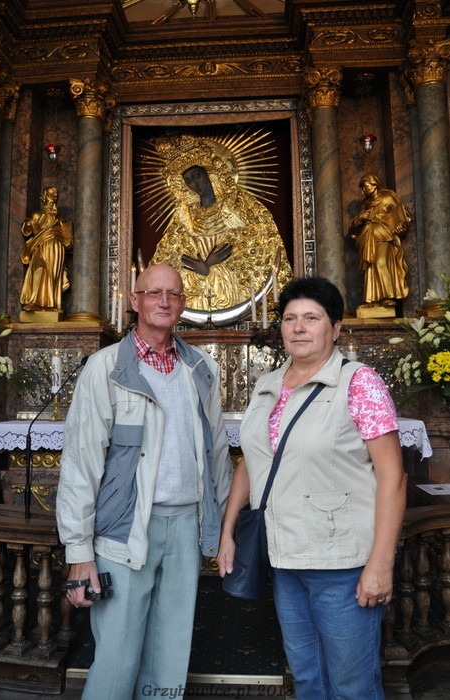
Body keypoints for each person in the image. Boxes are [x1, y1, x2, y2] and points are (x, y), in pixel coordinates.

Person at [217, 277, 406, 700]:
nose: (299, 327)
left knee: (352, 686)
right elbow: (253, 460)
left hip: (342, 563)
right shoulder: (267, 385)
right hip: (285, 559)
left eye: (311, 318)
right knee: (307, 679)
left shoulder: (360, 384)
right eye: (290, 319)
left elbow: (393, 477)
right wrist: (229, 530)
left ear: (335, 329)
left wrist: (381, 563)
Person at [56, 264, 232, 700]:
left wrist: (223, 528)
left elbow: (217, 454)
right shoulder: (105, 368)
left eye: (173, 293)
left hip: (186, 527)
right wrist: (79, 552)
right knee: (117, 660)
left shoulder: (201, 367)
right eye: (154, 293)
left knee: (170, 657)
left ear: (183, 304)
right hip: (125, 530)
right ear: (135, 301)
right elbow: (81, 465)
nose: (164, 301)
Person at [149, 134, 292, 310]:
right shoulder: (184, 218)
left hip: (235, 291)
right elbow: (173, 260)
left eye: (197, 176)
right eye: (188, 181)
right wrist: (204, 267)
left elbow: (259, 245)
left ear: (209, 173)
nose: (194, 184)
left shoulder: (238, 205)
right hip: (197, 296)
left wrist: (220, 263)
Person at [349, 173, 411, 307]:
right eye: (362, 188)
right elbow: (354, 228)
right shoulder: (365, 204)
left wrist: (401, 226)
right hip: (367, 237)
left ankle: (387, 296)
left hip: (384, 236)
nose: (364, 190)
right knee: (370, 267)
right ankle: (371, 300)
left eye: (366, 187)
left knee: (382, 263)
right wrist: (361, 217)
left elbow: (401, 215)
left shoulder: (387, 198)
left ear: (374, 184)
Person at [20, 186, 73, 311]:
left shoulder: (60, 218)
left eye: (55, 196)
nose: (52, 199)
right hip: (40, 246)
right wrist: (27, 225)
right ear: (44, 197)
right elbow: (27, 231)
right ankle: (34, 301)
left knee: (53, 275)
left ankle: (52, 304)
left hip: (57, 248)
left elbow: (68, 239)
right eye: (50, 196)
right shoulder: (37, 215)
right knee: (40, 269)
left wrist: (68, 239)